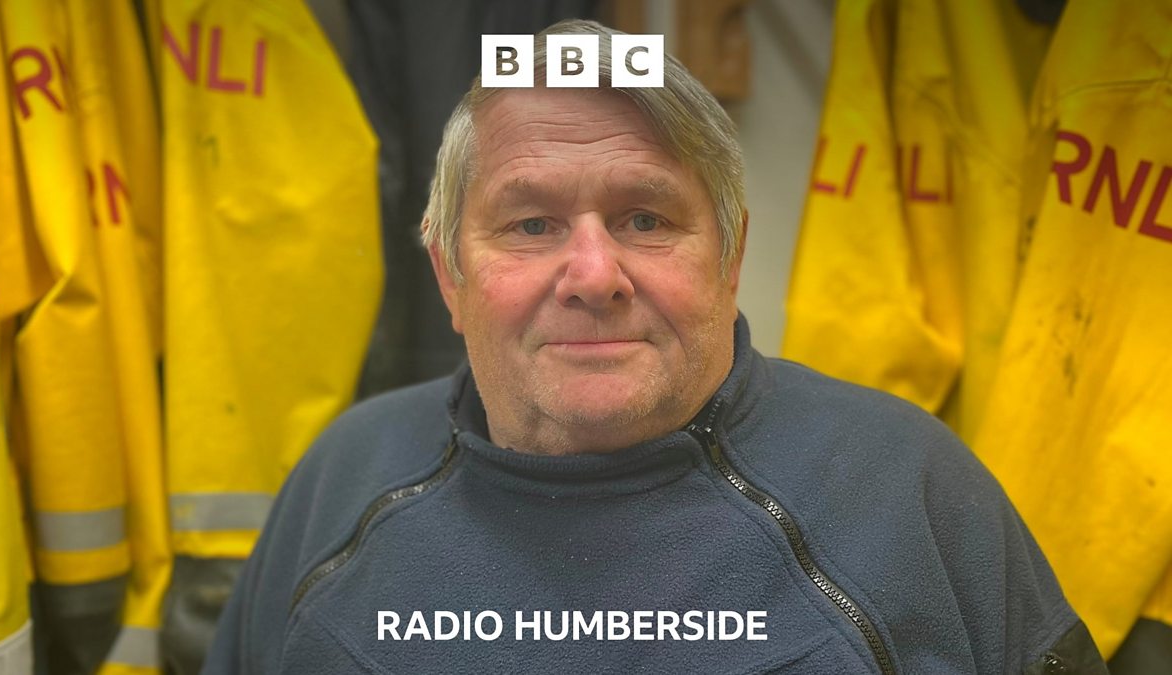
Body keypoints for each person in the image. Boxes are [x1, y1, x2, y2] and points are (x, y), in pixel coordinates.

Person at [202, 19, 1106, 674]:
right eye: (530, 223)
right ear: (449, 274)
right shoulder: (344, 477)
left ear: (730, 257)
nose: (595, 274)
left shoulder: (912, 490)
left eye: (646, 218)